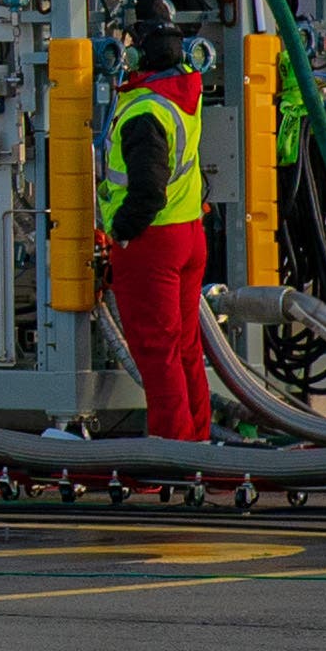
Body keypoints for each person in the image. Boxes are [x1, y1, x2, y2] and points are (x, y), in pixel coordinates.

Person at [106, 34, 215, 446]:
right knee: (185, 346)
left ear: (135, 57)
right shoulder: (184, 86)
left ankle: (172, 455)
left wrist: (121, 230)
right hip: (188, 233)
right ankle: (198, 445)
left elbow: (147, 191)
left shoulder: (144, 112)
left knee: (158, 352)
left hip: (152, 242)